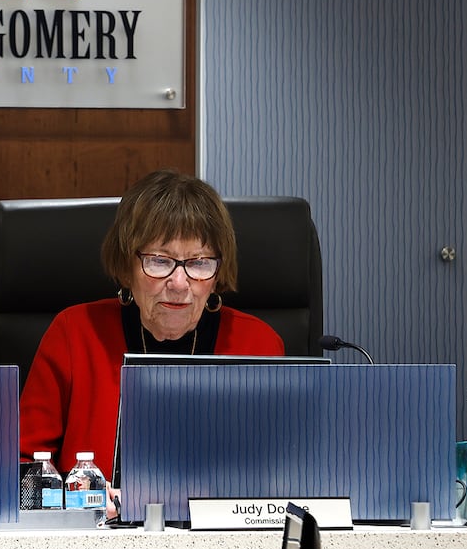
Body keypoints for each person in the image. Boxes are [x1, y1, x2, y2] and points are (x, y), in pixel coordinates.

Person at [19, 168, 287, 480]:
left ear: (216, 275)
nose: (178, 283)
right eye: (159, 261)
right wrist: (76, 498)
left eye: (199, 263)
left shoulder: (257, 345)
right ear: (125, 266)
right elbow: (22, 466)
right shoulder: (73, 334)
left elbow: (282, 470)